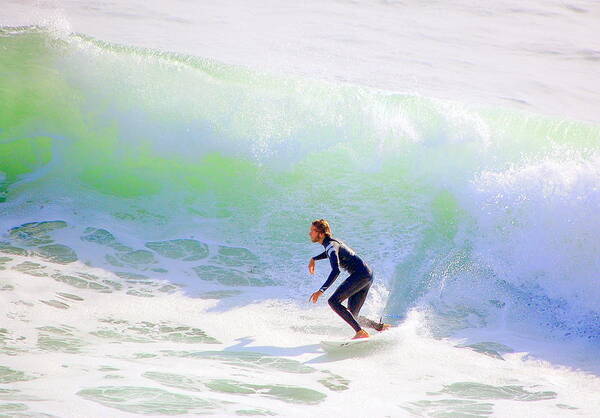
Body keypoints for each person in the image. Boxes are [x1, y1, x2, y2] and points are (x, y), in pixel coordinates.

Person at [308, 219, 390, 339]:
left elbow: (336, 270)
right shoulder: (332, 244)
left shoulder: (330, 245)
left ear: (321, 234)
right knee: (352, 314)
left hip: (360, 275)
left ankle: (360, 333)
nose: (310, 234)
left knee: (333, 301)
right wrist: (314, 258)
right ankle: (381, 327)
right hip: (367, 274)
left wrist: (321, 291)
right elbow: (331, 253)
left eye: (312, 231)